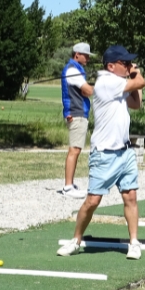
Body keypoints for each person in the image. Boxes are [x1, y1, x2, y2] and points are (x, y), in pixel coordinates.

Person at [57, 45, 145, 259]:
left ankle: (134, 242)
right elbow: (140, 81)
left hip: (124, 152)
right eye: (124, 63)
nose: (127, 66)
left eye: (128, 63)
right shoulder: (107, 82)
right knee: (93, 201)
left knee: (131, 197)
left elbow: (136, 103)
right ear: (111, 66)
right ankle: (76, 239)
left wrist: (133, 78)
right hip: (104, 154)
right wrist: (136, 73)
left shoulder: (119, 83)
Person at [60, 42, 95, 198]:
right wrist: (100, 86)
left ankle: (70, 183)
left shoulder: (75, 69)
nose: (87, 58)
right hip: (76, 113)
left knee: (76, 149)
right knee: (74, 149)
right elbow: (87, 90)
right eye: (85, 55)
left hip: (77, 112)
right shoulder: (73, 70)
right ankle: (68, 187)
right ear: (77, 54)